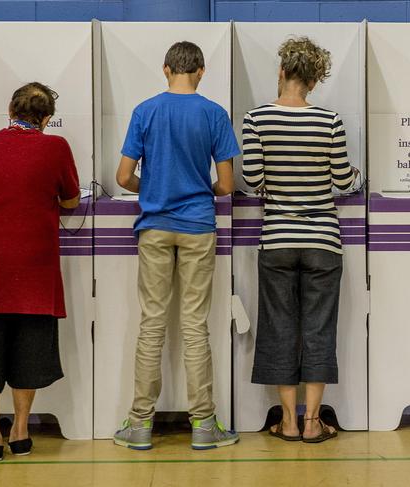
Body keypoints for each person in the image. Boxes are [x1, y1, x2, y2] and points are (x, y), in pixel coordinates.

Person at [113, 41, 239, 450]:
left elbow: (122, 176)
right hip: (199, 225)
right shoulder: (214, 114)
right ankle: (203, 425)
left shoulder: (145, 111)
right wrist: (197, 189)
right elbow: (225, 185)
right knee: (194, 325)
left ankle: (139, 424)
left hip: (154, 227)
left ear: (165, 68)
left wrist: (150, 187)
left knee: (152, 324)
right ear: (201, 71)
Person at [243, 37, 356, 443]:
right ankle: (313, 423)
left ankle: (288, 421)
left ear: (282, 72)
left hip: (276, 240)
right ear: (313, 81)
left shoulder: (256, 119)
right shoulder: (329, 121)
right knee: (318, 330)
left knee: (278, 329)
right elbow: (344, 181)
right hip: (323, 240)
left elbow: (252, 180)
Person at [0, 83, 80, 462]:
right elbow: (70, 198)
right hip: (35, 266)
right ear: (47, 118)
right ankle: (19, 431)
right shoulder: (56, 147)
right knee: (30, 349)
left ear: (9, 109)